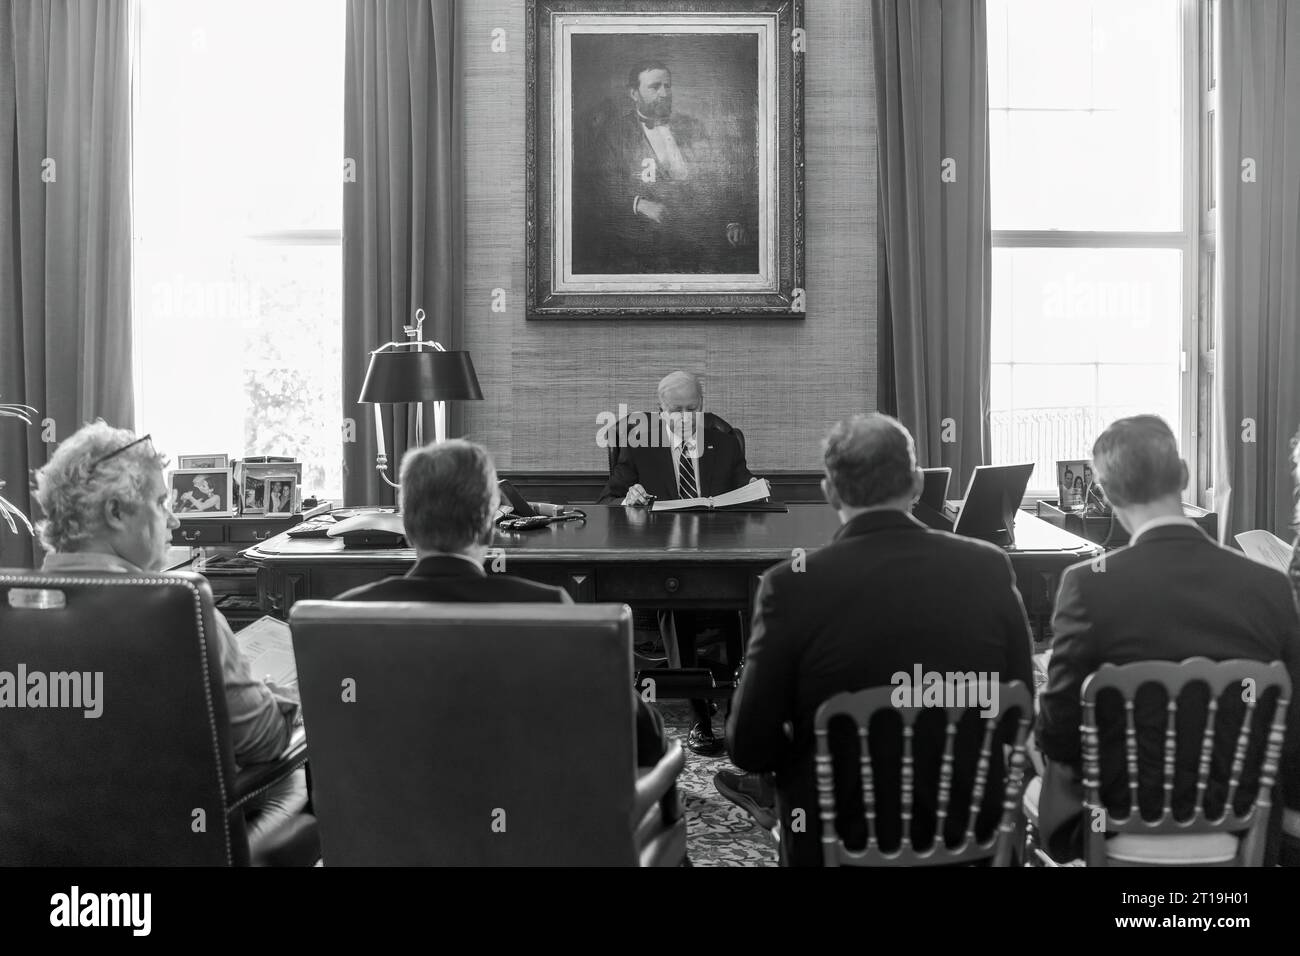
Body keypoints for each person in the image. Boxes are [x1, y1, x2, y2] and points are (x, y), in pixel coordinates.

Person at [724, 413, 1035, 866]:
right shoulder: (987, 566)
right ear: (914, 483)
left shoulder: (792, 585)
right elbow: (1018, 708)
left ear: (830, 492)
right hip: (967, 837)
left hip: (838, 841)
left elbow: (750, 746)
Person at [1034, 415, 1300, 861]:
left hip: (1117, 824)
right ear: (1183, 476)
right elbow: (1291, 727)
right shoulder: (1269, 586)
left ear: (1108, 493)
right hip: (1243, 828)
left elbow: (1061, 734)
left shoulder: (1088, 584)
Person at [32, 422, 304, 841]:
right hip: (175, 841)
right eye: (161, 503)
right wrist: (281, 694)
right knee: (297, 773)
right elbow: (261, 742)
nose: (175, 519)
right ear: (116, 511)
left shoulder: (15, 612)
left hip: (50, 845)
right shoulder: (182, 612)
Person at [335, 439, 669, 769]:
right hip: (531, 813)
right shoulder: (548, 609)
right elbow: (648, 741)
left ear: (407, 528)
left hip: (388, 817)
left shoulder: (342, 617)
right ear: (487, 526)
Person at [599, 370, 757, 754]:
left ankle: (739, 712)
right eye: (676, 411)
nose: (686, 419)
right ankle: (700, 715)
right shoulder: (639, 445)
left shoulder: (723, 441)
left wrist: (756, 491)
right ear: (660, 411)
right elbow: (607, 502)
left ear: (703, 407)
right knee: (678, 601)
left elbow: (749, 495)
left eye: (693, 409)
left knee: (741, 600)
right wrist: (628, 500)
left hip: (719, 557)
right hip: (662, 558)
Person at [574, 58, 758, 275]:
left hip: (701, 236)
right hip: (646, 243)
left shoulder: (692, 127)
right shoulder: (614, 134)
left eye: (667, 86)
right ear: (634, 93)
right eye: (654, 87)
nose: (664, 93)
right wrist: (639, 204)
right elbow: (601, 188)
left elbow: (718, 179)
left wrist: (732, 221)